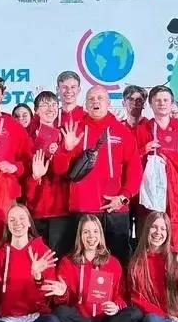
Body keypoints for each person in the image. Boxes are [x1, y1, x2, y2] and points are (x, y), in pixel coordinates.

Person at [55, 85, 141, 264]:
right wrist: (67, 149)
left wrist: (123, 197)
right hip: (82, 207)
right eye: (91, 99)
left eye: (100, 98)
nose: (95, 102)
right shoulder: (75, 130)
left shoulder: (122, 132)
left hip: (114, 209)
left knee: (119, 261)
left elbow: (135, 171)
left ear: (109, 103)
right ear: (85, 104)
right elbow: (59, 170)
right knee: (82, 262)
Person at [48, 214, 141, 322]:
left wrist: (116, 306)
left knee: (135, 313)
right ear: (80, 236)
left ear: (100, 234)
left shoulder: (113, 263)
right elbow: (62, 302)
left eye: (95, 231)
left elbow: (121, 296)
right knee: (60, 312)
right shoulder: (67, 263)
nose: (91, 236)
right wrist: (62, 293)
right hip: (80, 320)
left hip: (106, 318)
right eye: (86, 232)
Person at [25, 91, 73, 255]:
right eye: (45, 105)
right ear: (36, 111)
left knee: (59, 256)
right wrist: (35, 177)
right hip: (36, 208)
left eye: (53, 104)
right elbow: (24, 176)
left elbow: (63, 171)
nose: (50, 109)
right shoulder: (28, 138)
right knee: (38, 257)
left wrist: (61, 152)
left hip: (60, 208)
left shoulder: (65, 136)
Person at [136, 85, 178, 160]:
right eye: (157, 100)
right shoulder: (142, 129)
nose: (162, 103)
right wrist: (143, 150)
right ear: (150, 104)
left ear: (171, 103)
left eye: (165, 100)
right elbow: (130, 160)